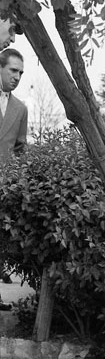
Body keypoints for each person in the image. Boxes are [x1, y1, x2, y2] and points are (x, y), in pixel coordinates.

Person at [0, 48, 27, 307]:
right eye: (13, 70)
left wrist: (15, 182)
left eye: (20, 73)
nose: (17, 77)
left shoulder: (20, 109)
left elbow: (20, 151)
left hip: (3, 188)